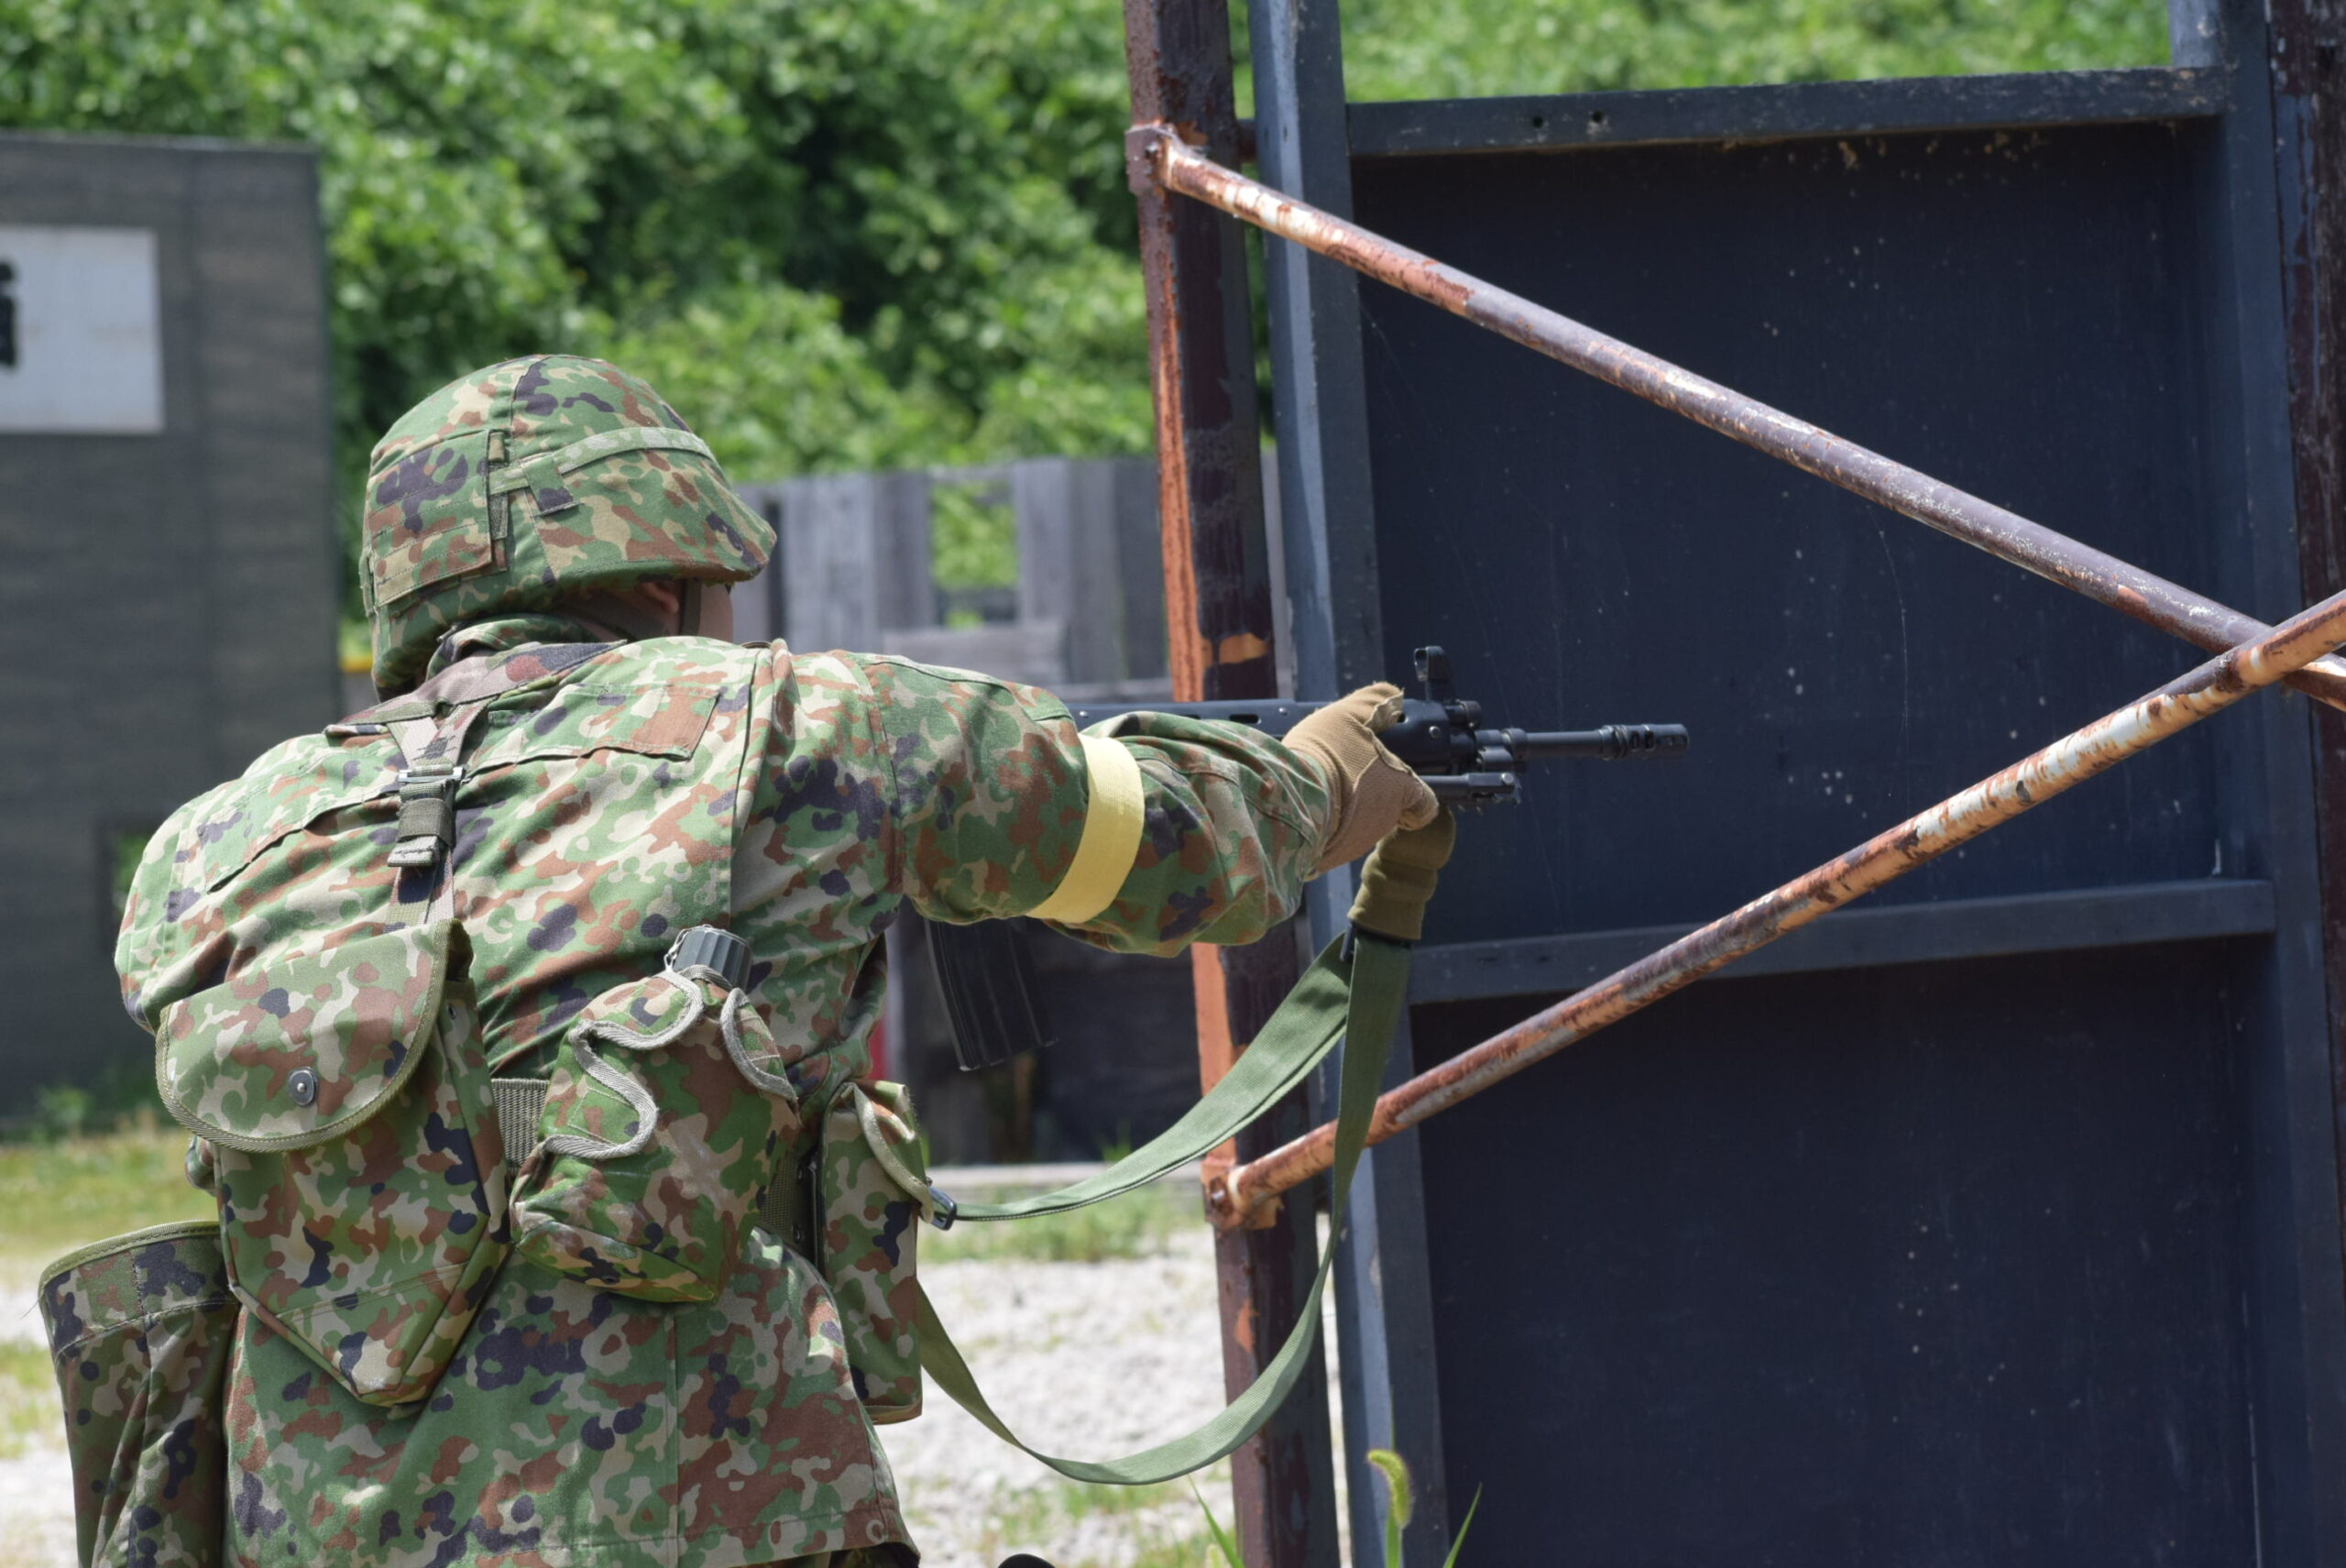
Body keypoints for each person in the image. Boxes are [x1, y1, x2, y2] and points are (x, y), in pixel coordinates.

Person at [105, 354, 1435, 1567]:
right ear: (665, 573)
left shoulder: (211, 846)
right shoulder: (810, 726)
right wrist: (1327, 774)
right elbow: (1182, 852)